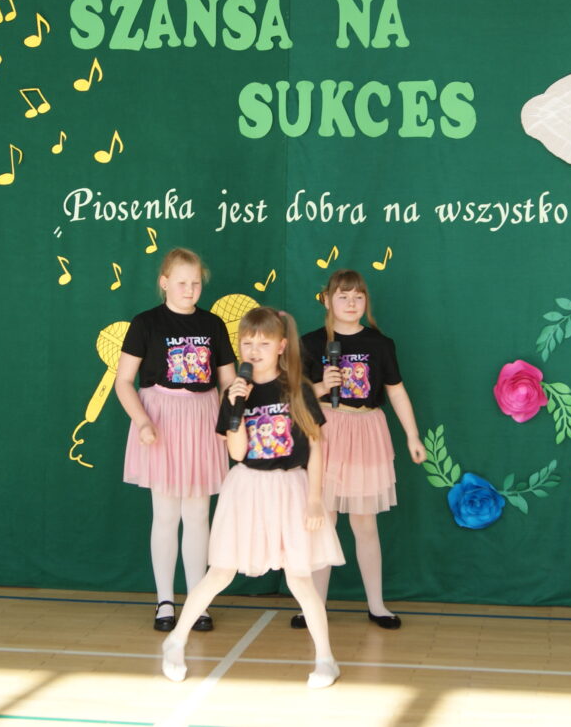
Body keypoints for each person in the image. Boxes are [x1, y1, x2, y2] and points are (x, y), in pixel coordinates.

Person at [161, 307, 344, 688]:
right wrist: (237, 406)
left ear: (281, 346)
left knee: (300, 578)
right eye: (247, 343)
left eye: (263, 343)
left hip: (291, 488)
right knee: (221, 572)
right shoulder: (234, 393)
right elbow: (238, 452)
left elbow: (316, 446)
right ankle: (175, 641)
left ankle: (326, 658)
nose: (254, 351)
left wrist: (315, 499)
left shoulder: (297, 389)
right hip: (247, 488)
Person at [115, 248, 237, 632]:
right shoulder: (145, 323)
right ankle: (165, 600)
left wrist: (231, 418)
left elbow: (228, 381)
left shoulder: (213, 324)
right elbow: (124, 381)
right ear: (164, 282)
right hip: (161, 419)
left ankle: (198, 601)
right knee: (166, 514)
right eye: (182, 282)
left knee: (198, 514)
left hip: (203, 418)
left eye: (196, 283)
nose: (189, 289)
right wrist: (142, 421)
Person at [297, 269, 426, 629]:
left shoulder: (380, 344)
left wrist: (413, 436)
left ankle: (377, 605)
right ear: (327, 300)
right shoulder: (310, 343)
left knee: (364, 522)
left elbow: (396, 390)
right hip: (327, 431)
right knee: (323, 521)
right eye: (343, 296)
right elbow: (294, 395)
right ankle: (313, 606)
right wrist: (321, 387)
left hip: (367, 431)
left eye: (358, 296)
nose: (351, 303)